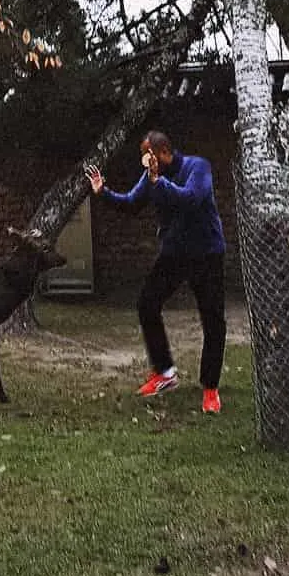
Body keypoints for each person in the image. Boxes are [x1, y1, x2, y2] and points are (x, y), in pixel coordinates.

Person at [85, 131, 226, 413]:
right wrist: (104, 193)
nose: (144, 160)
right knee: (147, 304)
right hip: (174, 253)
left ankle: (210, 389)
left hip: (206, 253)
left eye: (148, 154)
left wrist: (157, 181)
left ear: (162, 152)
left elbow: (191, 199)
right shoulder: (151, 175)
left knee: (212, 319)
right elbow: (132, 204)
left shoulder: (197, 167)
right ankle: (164, 373)